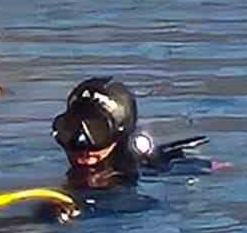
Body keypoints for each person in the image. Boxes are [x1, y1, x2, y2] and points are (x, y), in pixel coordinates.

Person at [51, 77, 210, 188]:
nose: (81, 142)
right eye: (70, 128)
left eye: (96, 131)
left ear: (119, 133)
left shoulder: (142, 172)